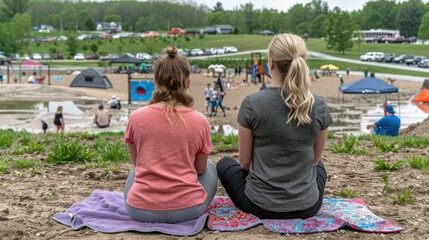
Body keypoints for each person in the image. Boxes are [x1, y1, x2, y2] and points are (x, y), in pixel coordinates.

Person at [216, 33, 332, 220]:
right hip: (307, 206)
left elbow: (244, 163)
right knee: (320, 167)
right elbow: (315, 160)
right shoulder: (318, 105)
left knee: (223, 164)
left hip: (259, 205)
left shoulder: (252, 103)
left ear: (271, 62)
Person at [123, 46, 217, 224]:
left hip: (139, 210)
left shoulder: (136, 118)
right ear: (187, 82)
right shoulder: (200, 121)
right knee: (210, 166)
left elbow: (138, 163)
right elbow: (200, 170)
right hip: (187, 210)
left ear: (155, 81)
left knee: (137, 170)